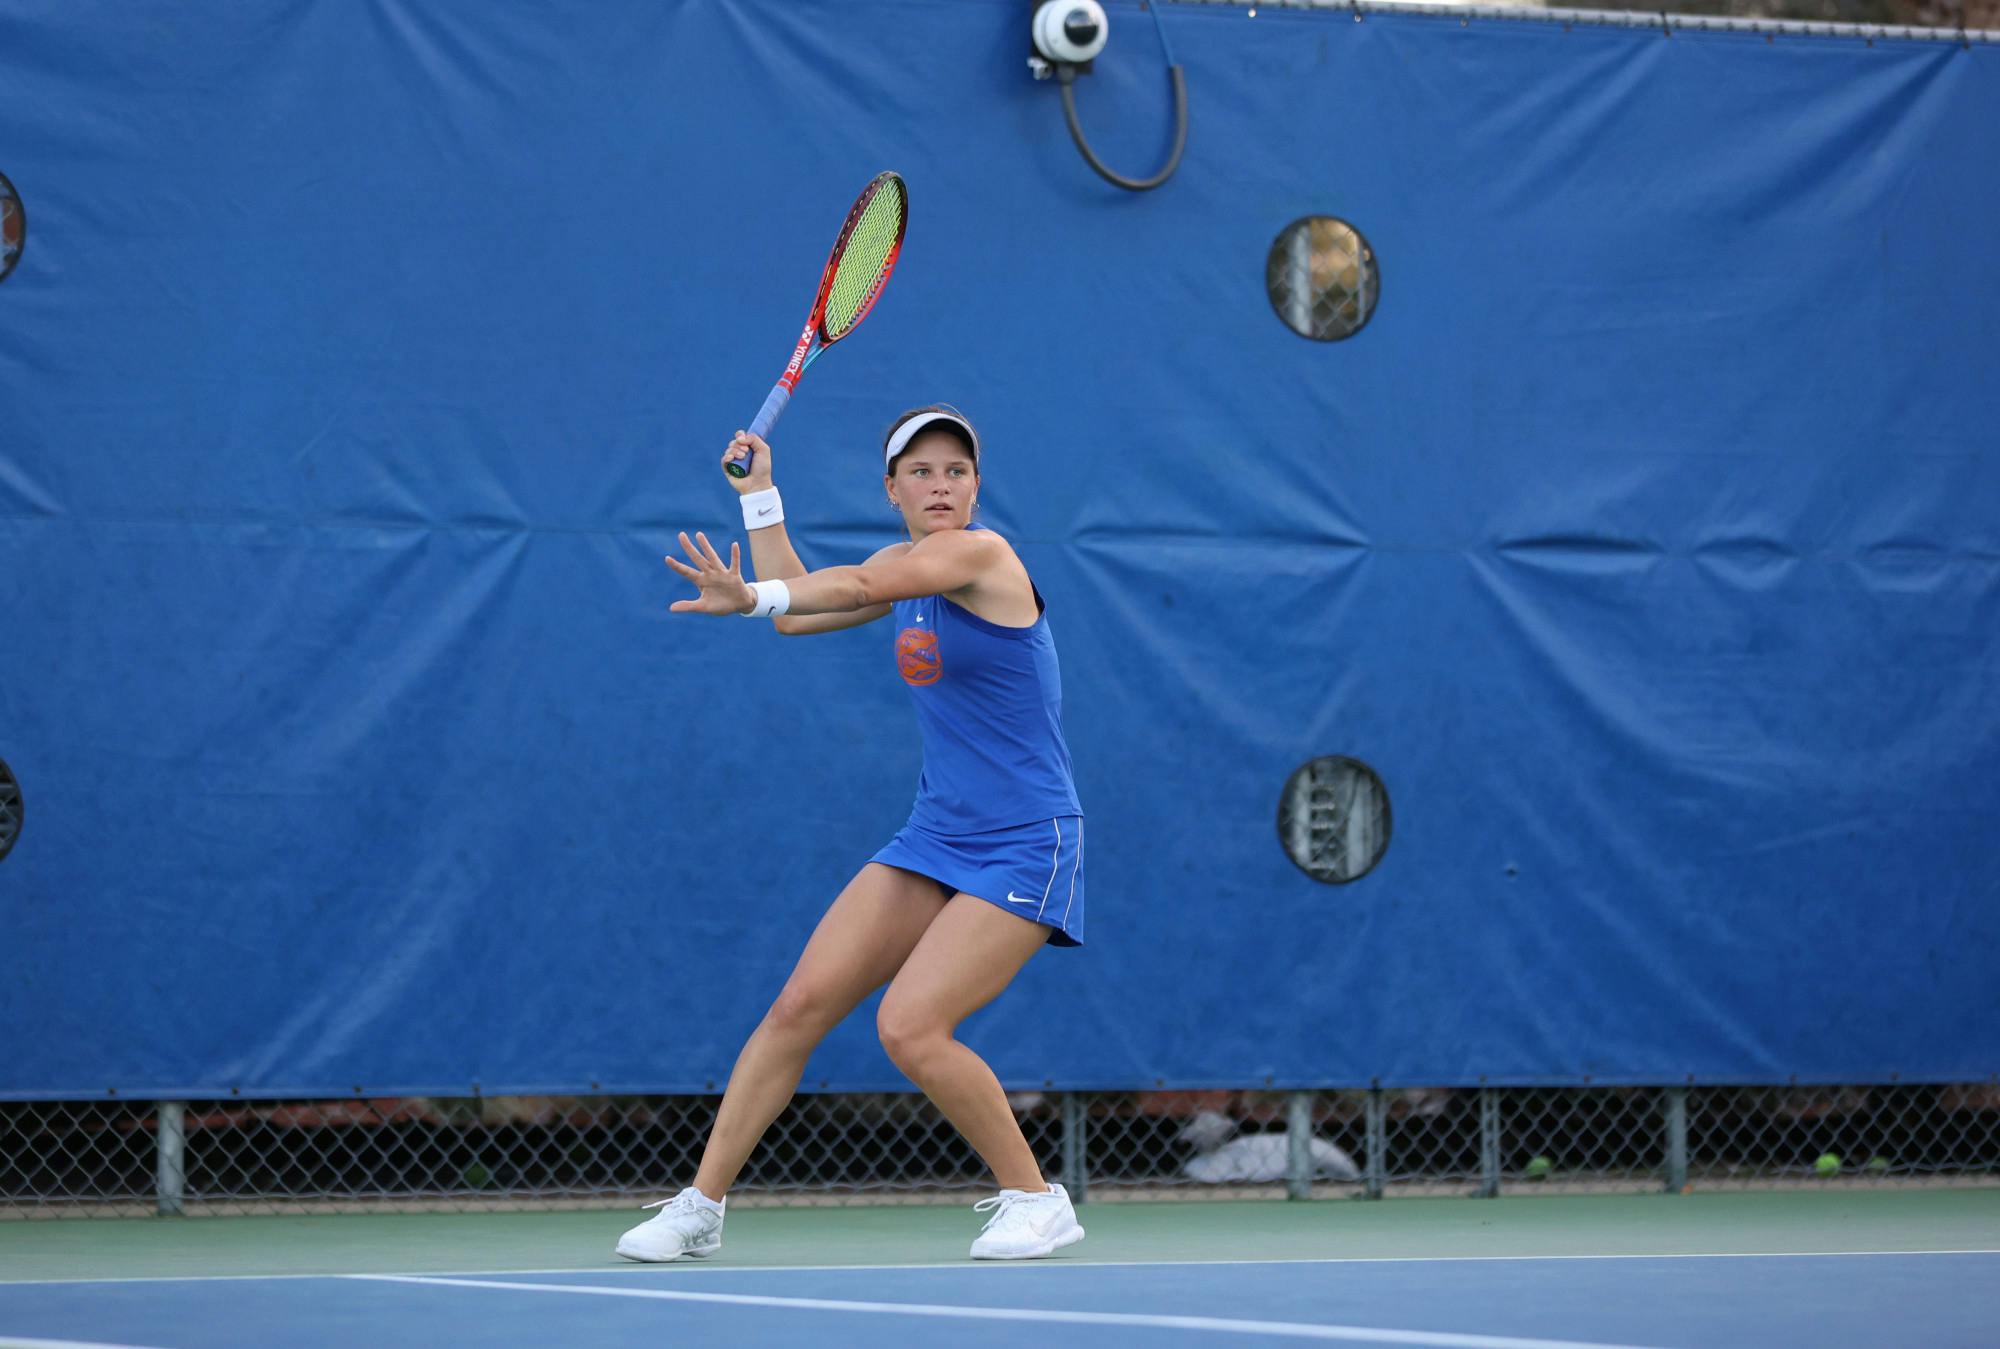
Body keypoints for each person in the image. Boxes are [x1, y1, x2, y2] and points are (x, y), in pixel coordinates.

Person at [617, 406, 1086, 1263]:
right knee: (800, 1004)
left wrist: (750, 595)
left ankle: (1036, 1198)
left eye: (955, 471)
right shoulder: (898, 564)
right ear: (892, 489)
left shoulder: (983, 556)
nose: (939, 486)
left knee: (910, 1024)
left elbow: (847, 594)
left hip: (1026, 839)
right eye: (920, 472)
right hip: (936, 835)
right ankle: (700, 1207)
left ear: (976, 485)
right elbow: (802, 612)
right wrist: (761, 497)